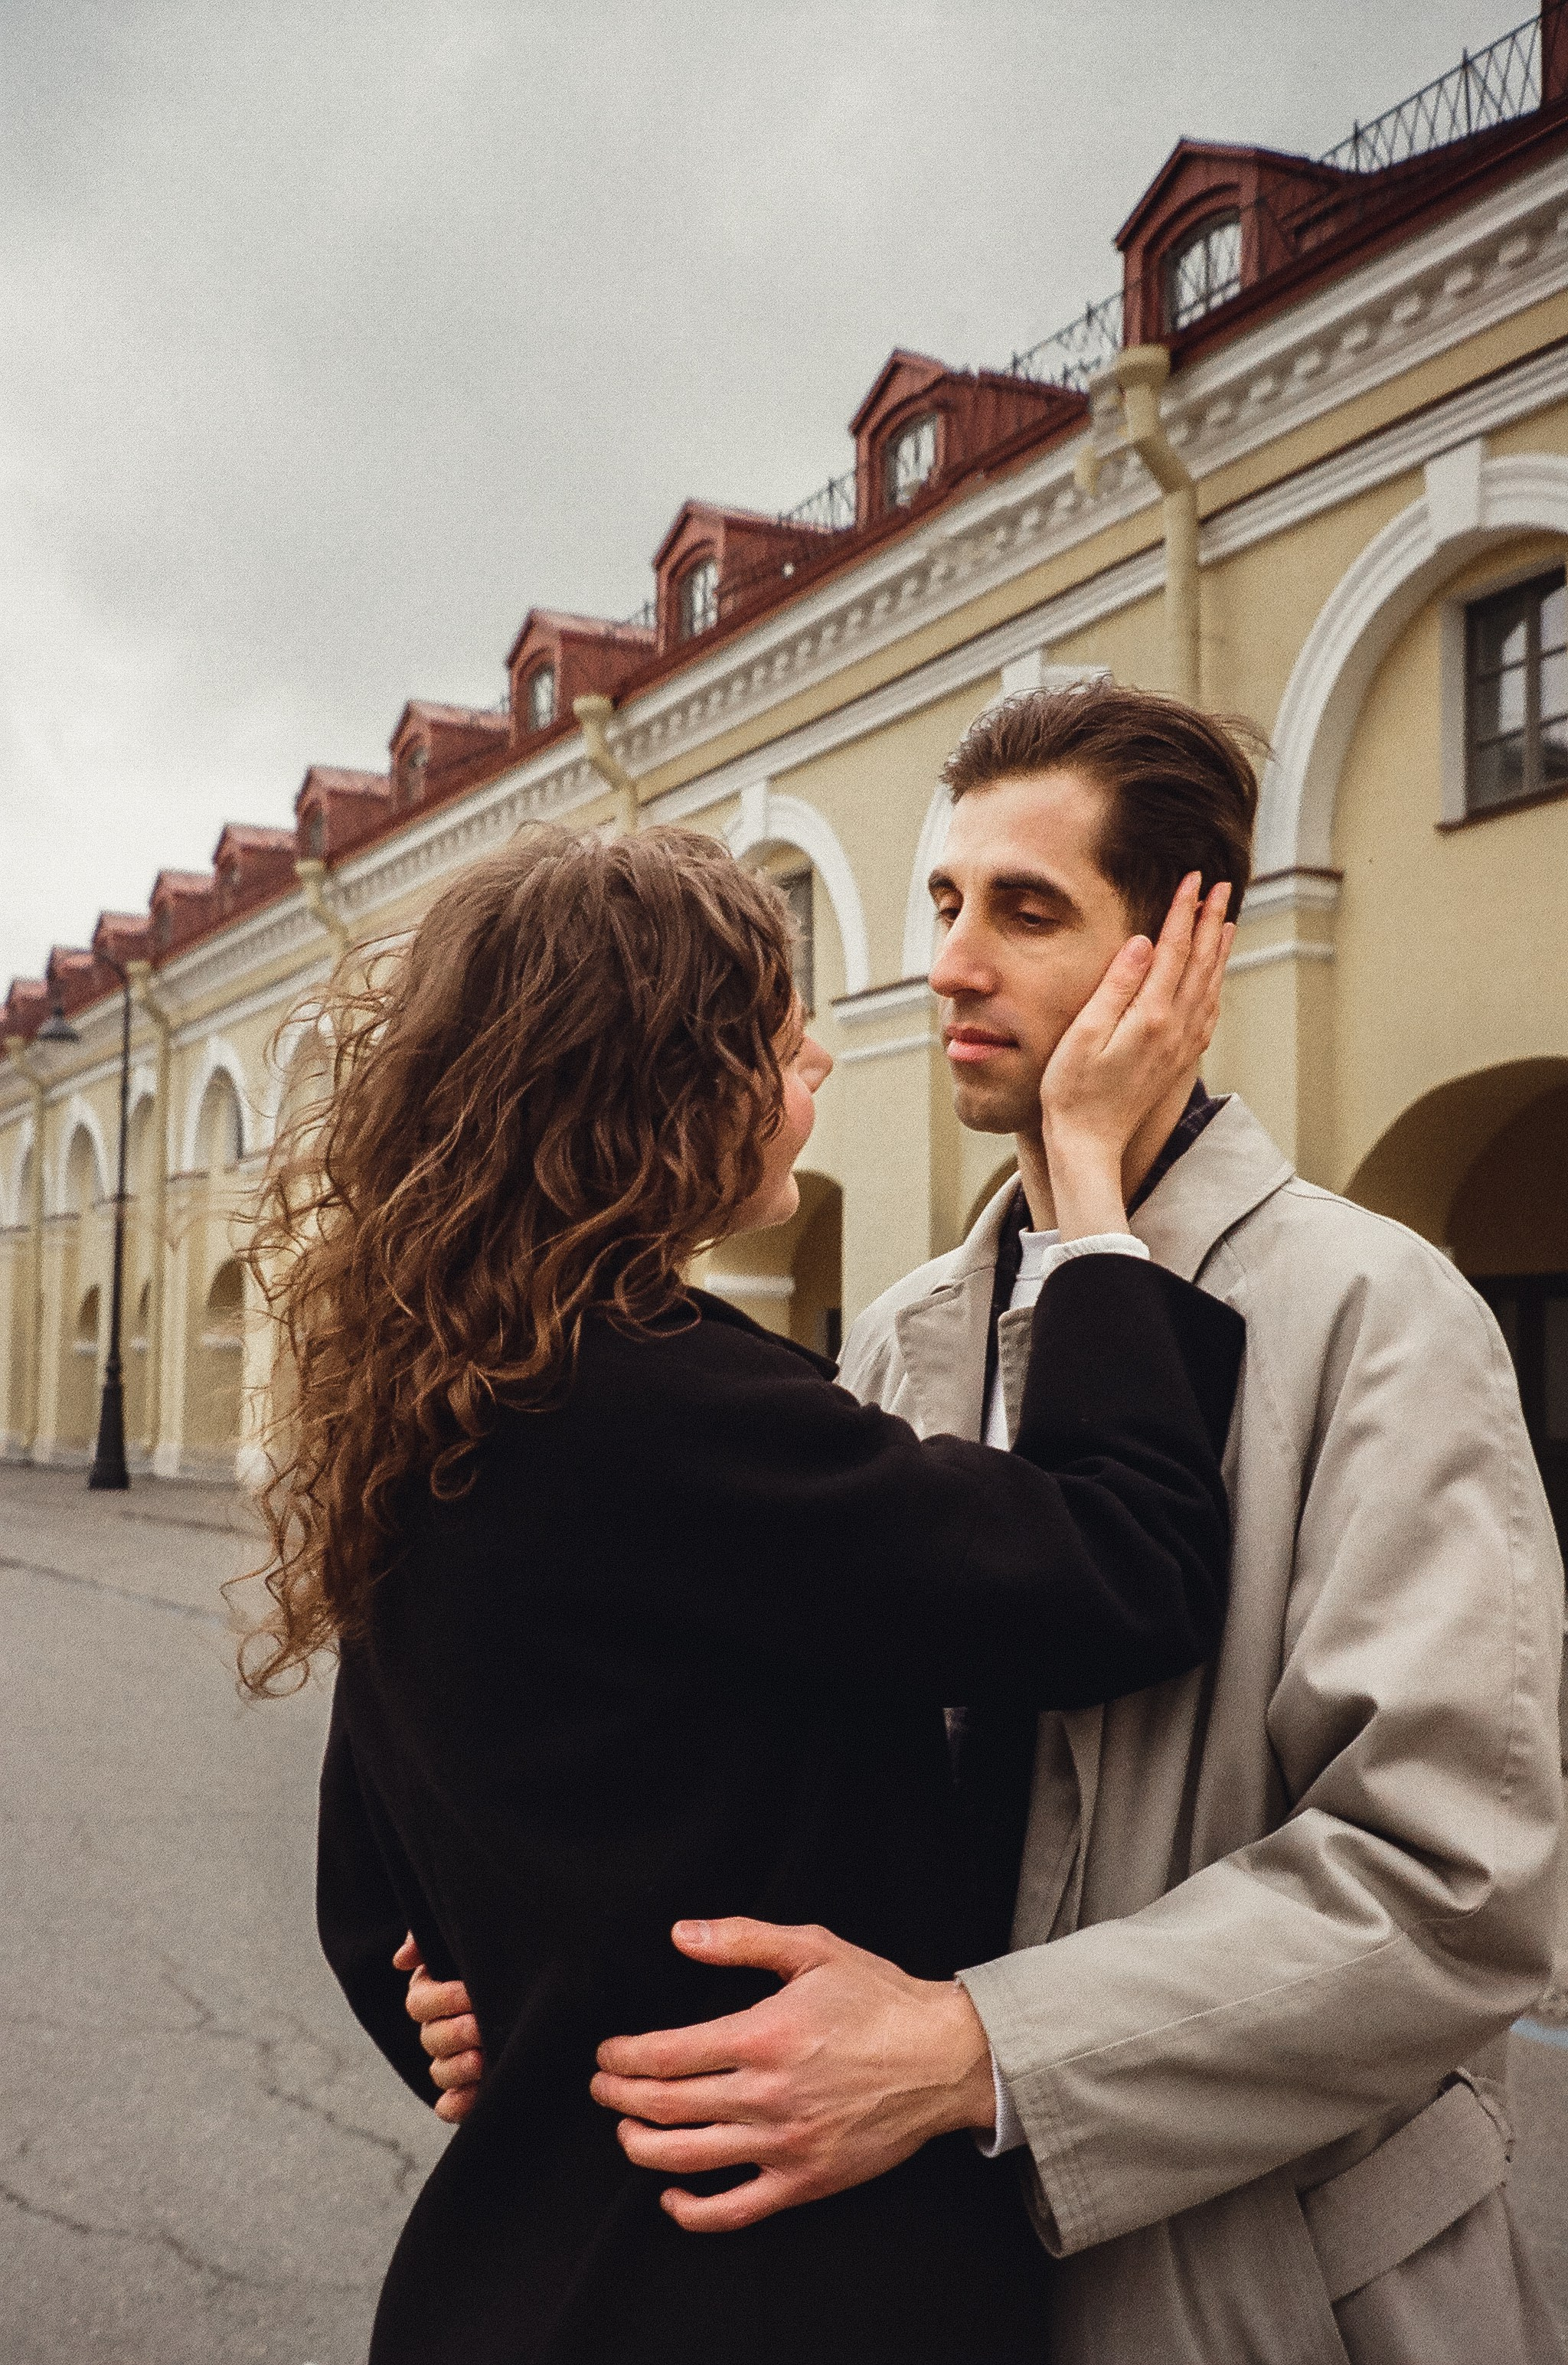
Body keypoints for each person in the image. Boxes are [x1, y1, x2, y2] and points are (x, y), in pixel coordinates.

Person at [417, 684, 1566, 2365]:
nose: (949, 959)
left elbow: (1456, 1882)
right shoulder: (894, 1335)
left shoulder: (1377, 1312)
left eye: (1024, 911)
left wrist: (981, 2053)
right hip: (898, 2270)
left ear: (1183, 954)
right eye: (945, 900)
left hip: (1265, 2287)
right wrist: (510, 1977)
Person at [243, 818, 1243, 2365]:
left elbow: (372, 1904)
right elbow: (1127, 1572)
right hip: (752, 2285)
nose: (823, 1064)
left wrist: (498, 2004)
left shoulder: (443, 1394)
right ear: (659, 1095)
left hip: (523, 2269)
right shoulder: (658, 1407)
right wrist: (1094, 1200)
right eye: (779, 1044)